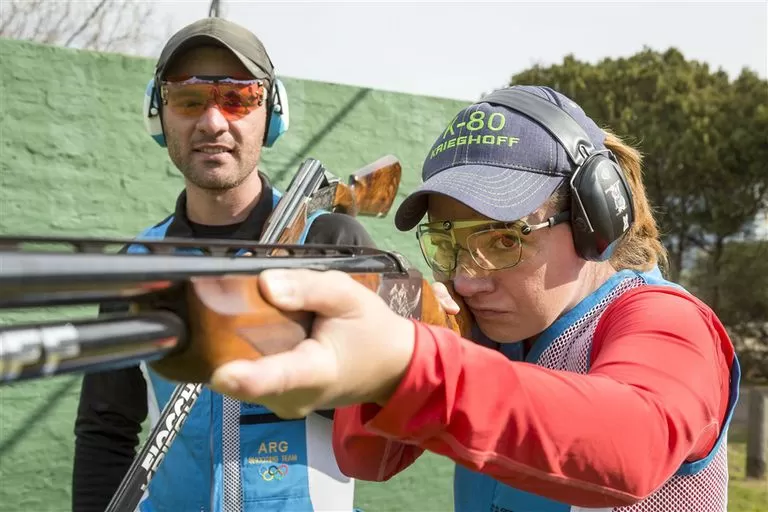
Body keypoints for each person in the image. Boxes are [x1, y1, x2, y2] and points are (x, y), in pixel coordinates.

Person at [207, 85, 741, 511]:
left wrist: (416, 362)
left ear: (591, 220)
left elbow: (630, 444)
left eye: (504, 240)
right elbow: (364, 457)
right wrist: (396, 353)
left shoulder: (666, 321)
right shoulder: (491, 331)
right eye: (446, 242)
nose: (466, 280)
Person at [72, 17, 374, 512]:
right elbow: (107, 429)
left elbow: (380, 414)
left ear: (271, 114)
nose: (213, 122)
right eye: (189, 99)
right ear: (159, 114)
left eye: (237, 98)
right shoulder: (138, 265)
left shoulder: (331, 242)